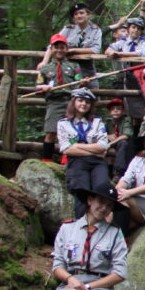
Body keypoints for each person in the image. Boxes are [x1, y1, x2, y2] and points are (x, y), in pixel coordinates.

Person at [57, 88, 110, 218]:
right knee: (82, 192)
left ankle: (100, 225)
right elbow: (66, 149)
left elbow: (103, 146)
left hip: (98, 163)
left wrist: (76, 145)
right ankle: (81, 226)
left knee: (101, 189)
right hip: (77, 162)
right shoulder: (63, 123)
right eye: (80, 100)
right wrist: (93, 150)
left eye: (87, 102)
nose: (83, 104)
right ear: (73, 102)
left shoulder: (97, 122)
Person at [36, 33, 82, 162]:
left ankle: (67, 160)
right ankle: (46, 161)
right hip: (54, 101)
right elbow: (38, 85)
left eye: (62, 47)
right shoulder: (45, 68)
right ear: (51, 49)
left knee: (70, 131)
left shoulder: (74, 66)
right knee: (50, 131)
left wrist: (82, 82)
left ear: (66, 49)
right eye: (56, 47)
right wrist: (43, 87)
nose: (59, 50)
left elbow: (79, 81)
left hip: (71, 101)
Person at [39, 2, 103, 84]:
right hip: (68, 67)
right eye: (76, 14)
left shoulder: (96, 30)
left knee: (92, 91)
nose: (79, 16)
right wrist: (44, 62)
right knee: (69, 90)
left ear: (88, 15)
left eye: (81, 13)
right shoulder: (68, 29)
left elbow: (96, 49)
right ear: (73, 18)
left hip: (87, 67)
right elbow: (51, 46)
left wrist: (73, 50)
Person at [104, 17, 145, 123]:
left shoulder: (144, 40)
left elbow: (144, 53)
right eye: (133, 27)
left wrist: (121, 54)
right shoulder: (123, 41)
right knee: (124, 106)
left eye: (138, 29)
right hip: (125, 77)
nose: (135, 30)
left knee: (140, 107)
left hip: (139, 78)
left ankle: (139, 129)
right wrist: (112, 52)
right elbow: (109, 50)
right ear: (129, 29)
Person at [103, 98, 134, 180]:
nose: (115, 111)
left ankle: (118, 173)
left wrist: (111, 143)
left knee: (123, 143)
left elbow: (127, 135)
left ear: (123, 111)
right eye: (113, 109)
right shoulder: (108, 122)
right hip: (110, 145)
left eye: (118, 109)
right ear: (110, 112)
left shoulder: (126, 120)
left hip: (120, 144)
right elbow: (100, 133)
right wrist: (107, 136)